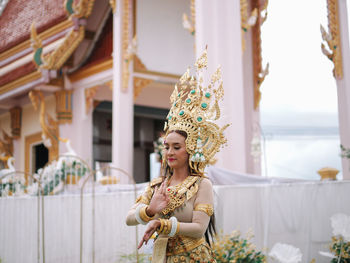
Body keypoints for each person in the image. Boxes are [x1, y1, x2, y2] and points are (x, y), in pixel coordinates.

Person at [126, 49, 229, 263]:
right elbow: (129, 219)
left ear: (190, 148)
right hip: (162, 257)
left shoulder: (201, 185)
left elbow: (199, 229)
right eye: (166, 147)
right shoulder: (158, 185)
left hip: (193, 258)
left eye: (176, 147)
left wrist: (161, 223)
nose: (170, 152)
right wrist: (150, 210)